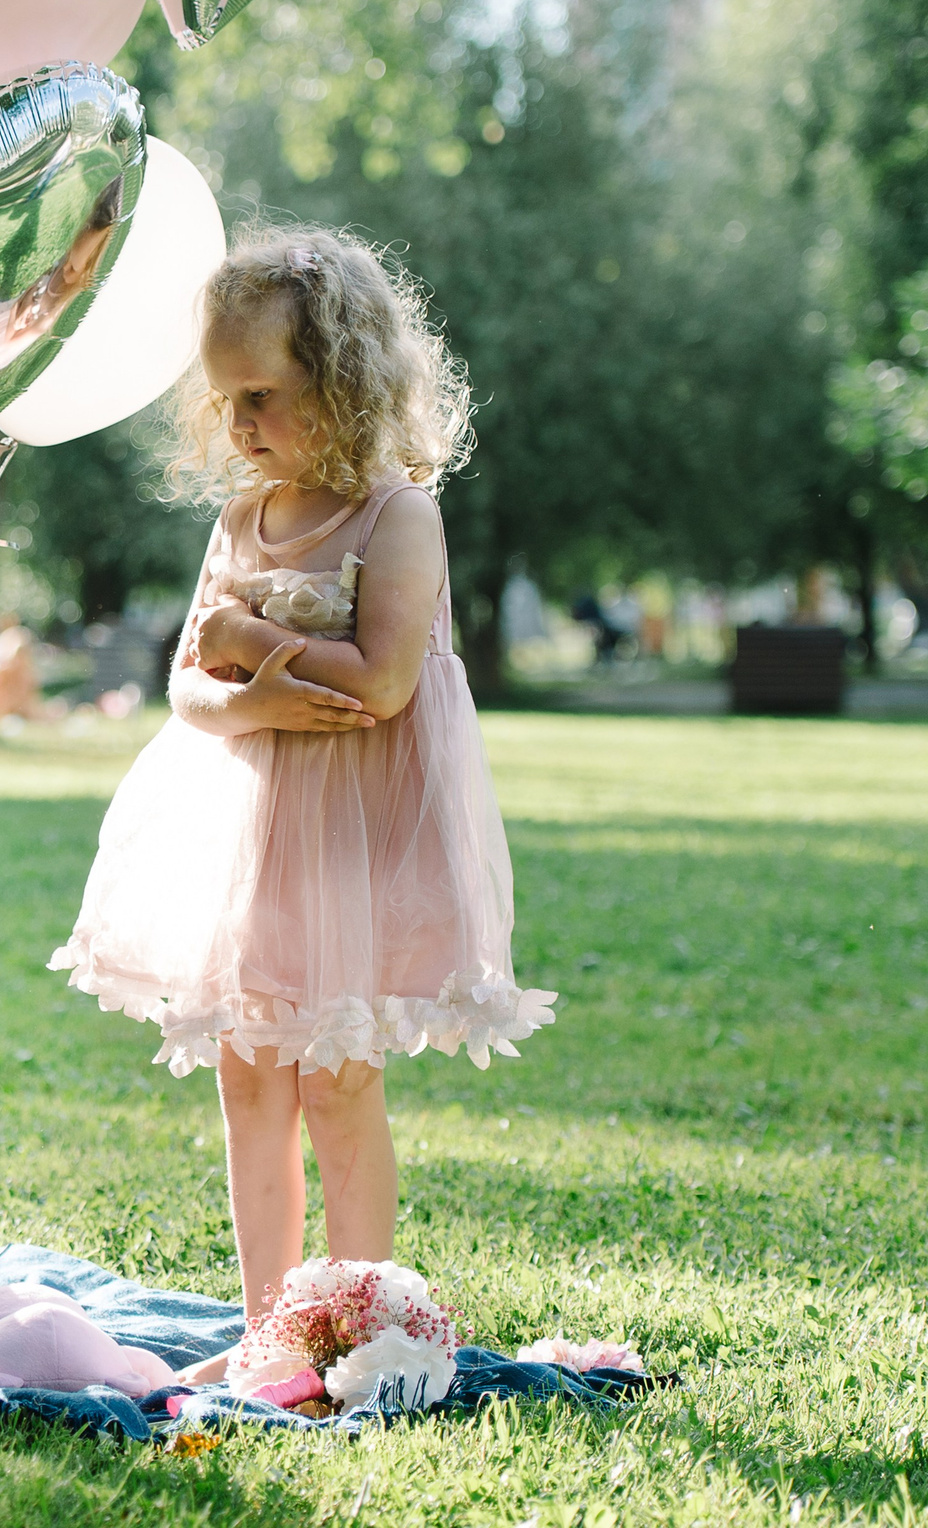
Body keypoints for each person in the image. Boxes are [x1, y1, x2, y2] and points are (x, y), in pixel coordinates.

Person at [49, 229, 554, 1379]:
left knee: (338, 1084)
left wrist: (254, 645)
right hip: (251, 838)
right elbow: (188, 685)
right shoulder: (240, 522)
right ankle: (261, 1328)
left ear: (340, 377)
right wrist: (241, 694)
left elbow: (379, 683)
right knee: (246, 1082)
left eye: (262, 396)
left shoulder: (396, 517)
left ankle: (356, 1316)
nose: (239, 426)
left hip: (353, 846)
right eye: (224, 401)